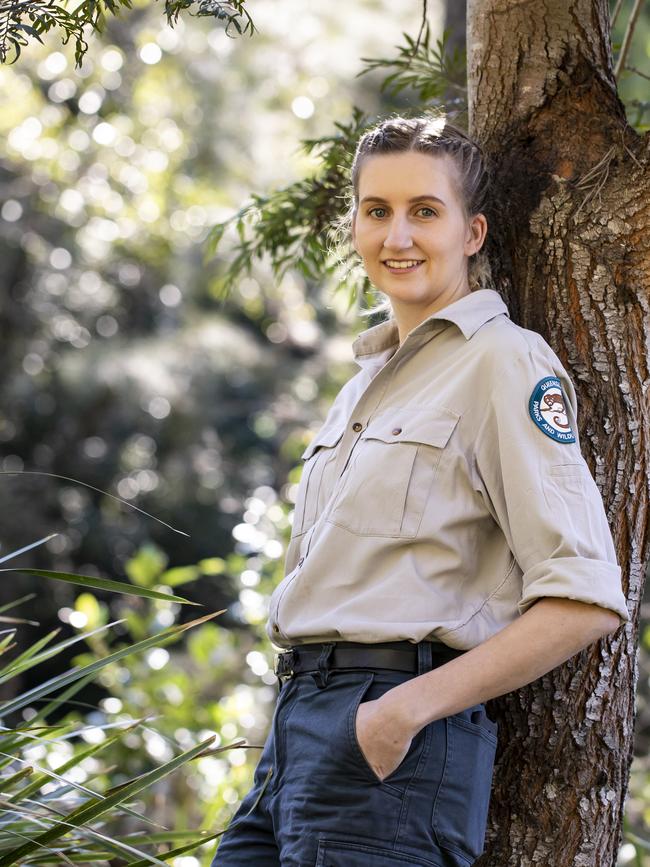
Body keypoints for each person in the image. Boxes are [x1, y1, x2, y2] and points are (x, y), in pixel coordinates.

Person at [211, 114, 630, 867]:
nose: (397, 236)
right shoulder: (364, 382)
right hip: (295, 735)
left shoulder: (504, 363)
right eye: (377, 211)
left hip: (392, 745)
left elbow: (585, 598)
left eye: (424, 212)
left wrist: (399, 713)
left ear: (472, 233)